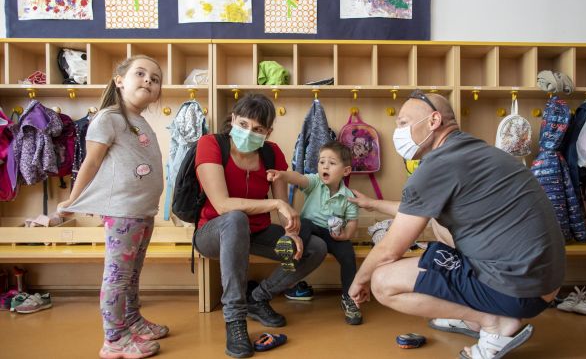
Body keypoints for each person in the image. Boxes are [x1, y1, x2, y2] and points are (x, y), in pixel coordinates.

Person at [348, 90, 566, 359]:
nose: (398, 132)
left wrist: (359, 280)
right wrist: (373, 204)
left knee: (383, 281)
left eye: (403, 123)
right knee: (441, 223)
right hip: (545, 282)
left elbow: (390, 250)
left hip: (520, 291)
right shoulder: (476, 151)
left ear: (434, 121)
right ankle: (472, 315)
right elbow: (417, 211)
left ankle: (493, 322)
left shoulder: (435, 168)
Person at [193, 93, 327, 358]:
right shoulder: (210, 144)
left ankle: (258, 298)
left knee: (315, 247)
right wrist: (276, 206)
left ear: (268, 132)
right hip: (214, 232)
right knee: (234, 218)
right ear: (233, 120)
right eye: (243, 124)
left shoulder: (271, 153)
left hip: (257, 233)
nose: (248, 132)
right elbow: (222, 205)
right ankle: (235, 318)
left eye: (257, 129)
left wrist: (291, 233)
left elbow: (282, 208)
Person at [58, 56, 167, 358]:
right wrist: (72, 200)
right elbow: (90, 162)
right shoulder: (108, 118)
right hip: (123, 213)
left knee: (132, 275)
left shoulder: (139, 121)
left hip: (143, 212)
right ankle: (114, 338)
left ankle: (132, 320)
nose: (148, 80)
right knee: (118, 276)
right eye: (141, 74)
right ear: (119, 80)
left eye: (155, 79)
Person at [267, 140, 362, 325]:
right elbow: (298, 178)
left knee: (348, 256)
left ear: (346, 171)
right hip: (308, 229)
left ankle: (349, 298)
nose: (325, 166)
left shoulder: (349, 196)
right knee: (304, 223)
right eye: (321, 162)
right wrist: (282, 175)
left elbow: (352, 222)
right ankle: (290, 250)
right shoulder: (315, 182)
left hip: (331, 234)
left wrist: (345, 235)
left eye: (332, 163)